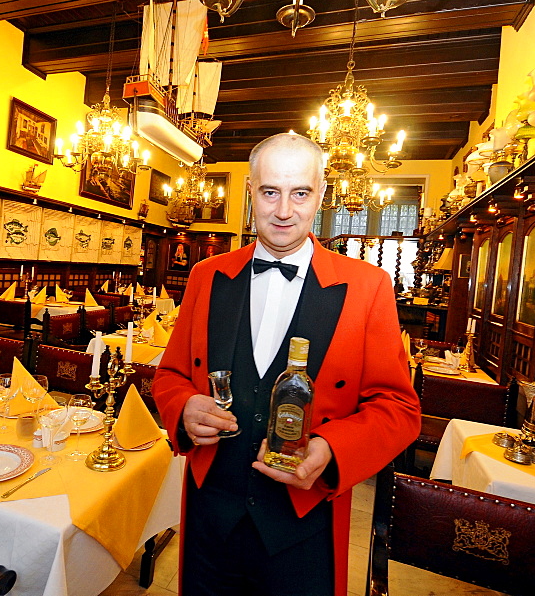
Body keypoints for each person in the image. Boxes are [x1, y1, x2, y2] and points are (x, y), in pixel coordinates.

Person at [154, 132, 421, 596]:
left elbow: (397, 408)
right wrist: (182, 408)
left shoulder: (368, 286)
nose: (283, 210)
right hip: (209, 516)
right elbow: (171, 376)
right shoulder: (206, 276)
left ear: (320, 195)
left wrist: (331, 450)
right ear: (250, 193)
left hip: (303, 522)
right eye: (270, 192)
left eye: (300, 193)